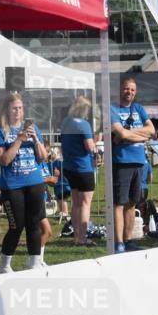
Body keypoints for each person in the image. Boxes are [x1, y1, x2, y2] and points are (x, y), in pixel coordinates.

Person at [0, 92, 49, 272]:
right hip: (13, 185)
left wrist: (36, 139)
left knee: (34, 224)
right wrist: (18, 140)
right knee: (16, 226)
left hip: (34, 182)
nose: (18, 112)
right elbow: (4, 160)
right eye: (14, 108)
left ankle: (34, 262)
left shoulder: (32, 128)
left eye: (20, 108)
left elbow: (42, 158)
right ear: (6, 110)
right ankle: (5, 265)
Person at [111, 77, 155, 253]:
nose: (129, 92)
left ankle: (128, 240)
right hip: (121, 162)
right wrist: (139, 136)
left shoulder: (139, 109)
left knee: (131, 203)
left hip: (139, 162)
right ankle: (118, 243)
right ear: (120, 90)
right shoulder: (112, 109)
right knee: (119, 203)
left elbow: (152, 131)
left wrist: (129, 133)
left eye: (132, 90)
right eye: (126, 88)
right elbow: (120, 134)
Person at [60, 95, 98, 245]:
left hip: (69, 166)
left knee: (76, 203)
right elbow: (89, 147)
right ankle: (82, 238)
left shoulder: (66, 122)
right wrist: (95, 142)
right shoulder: (84, 125)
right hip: (83, 168)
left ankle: (77, 236)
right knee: (85, 204)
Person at [44, 147, 71, 218]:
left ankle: (65, 213)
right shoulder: (56, 163)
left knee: (62, 199)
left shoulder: (57, 163)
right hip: (60, 185)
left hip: (63, 185)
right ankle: (62, 212)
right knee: (60, 199)